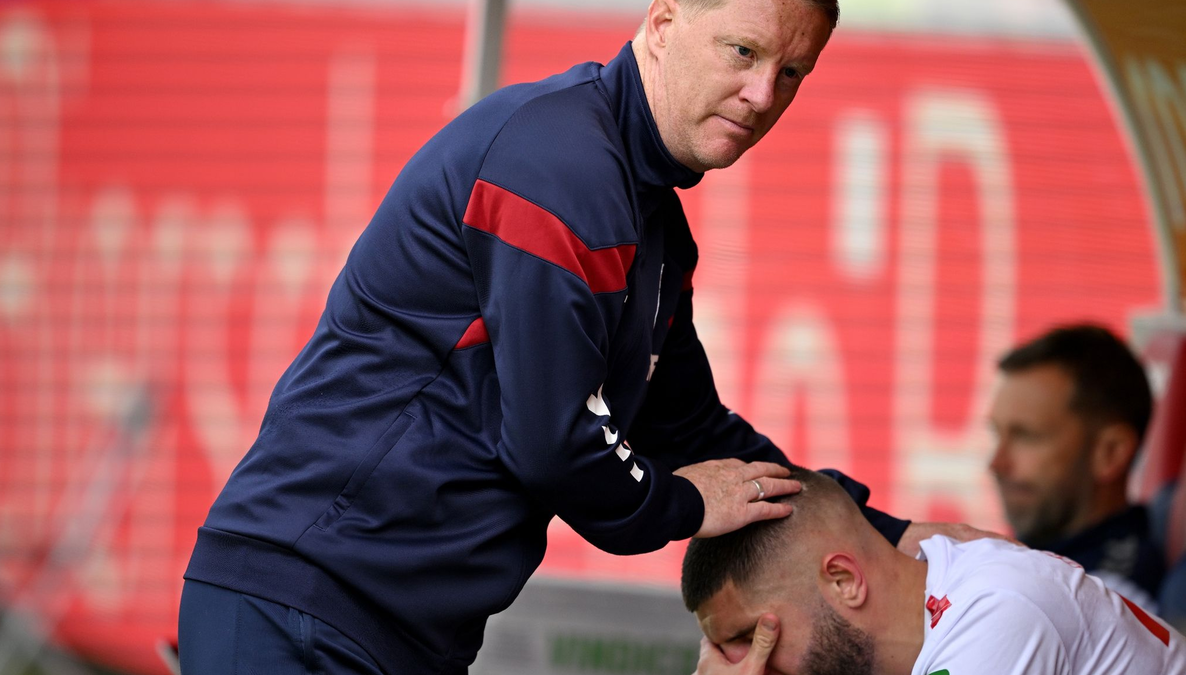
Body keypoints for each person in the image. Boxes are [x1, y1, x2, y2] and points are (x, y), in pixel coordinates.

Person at [177, 0, 965, 672]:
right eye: (744, 51)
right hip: (304, 601)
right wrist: (683, 502)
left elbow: (689, 427)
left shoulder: (649, 217)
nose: (762, 93)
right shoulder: (560, 165)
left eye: (792, 72)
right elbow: (557, 443)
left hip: (389, 624)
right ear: (661, 22)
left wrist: (887, 531)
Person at [682, 468, 1186, 675]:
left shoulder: (993, 613)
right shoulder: (936, 602)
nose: (743, 668)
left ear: (844, 580)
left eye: (750, 636)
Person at [987, 324, 1164, 608]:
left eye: (1026, 436)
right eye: (997, 433)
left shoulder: (1112, 603)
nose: (997, 463)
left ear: (1110, 453)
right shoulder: (1047, 564)